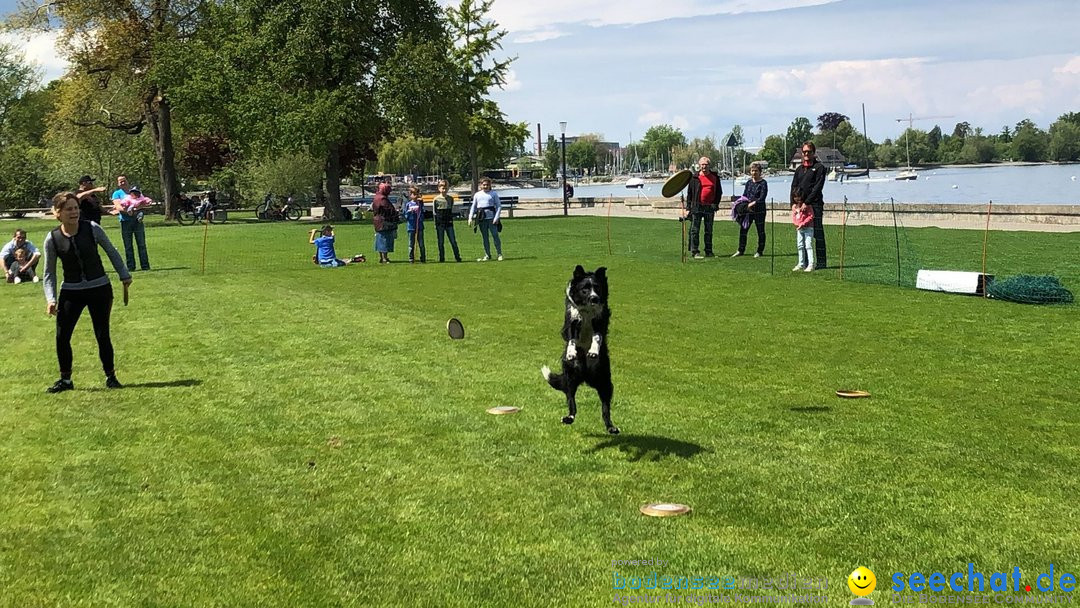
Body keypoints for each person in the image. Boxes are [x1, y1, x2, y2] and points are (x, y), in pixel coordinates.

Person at [42, 191, 132, 393]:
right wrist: (51, 299)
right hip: (71, 291)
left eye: (76, 208)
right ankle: (66, 380)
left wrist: (124, 274)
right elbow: (49, 273)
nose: (74, 212)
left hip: (99, 288)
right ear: (58, 213)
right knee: (62, 336)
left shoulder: (91, 228)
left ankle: (111, 376)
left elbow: (111, 251)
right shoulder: (53, 238)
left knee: (102, 334)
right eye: (69, 209)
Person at [791, 141, 827, 268]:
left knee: (817, 233)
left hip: (815, 205)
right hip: (800, 207)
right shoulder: (799, 169)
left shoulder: (820, 168)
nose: (806, 154)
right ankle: (803, 262)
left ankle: (821, 263)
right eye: (804, 151)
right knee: (802, 233)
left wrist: (808, 202)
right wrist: (793, 204)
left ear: (813, 153)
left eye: (809, 152)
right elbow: (793, 186)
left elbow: (818, 187)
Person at [683, 156, 721, 259]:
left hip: (709, 207)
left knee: (709, 230)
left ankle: (709, 251)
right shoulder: (694, 178)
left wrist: (716, 204)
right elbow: (689, 194)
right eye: (702, 165)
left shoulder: (715, 177)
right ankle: (695, 251)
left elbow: (719, 192)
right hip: (697, 207)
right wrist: (688, 208)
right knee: (695, 230)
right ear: (699, 165)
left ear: (709, 165)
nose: (704, 166)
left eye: (706, 164)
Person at [111, 178, 152, 271]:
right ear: (118, 183)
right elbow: (118, 206)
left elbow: (144, 202)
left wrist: (134, 209)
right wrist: (128, 211)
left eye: (124, 180)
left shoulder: (135, 191)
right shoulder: (117, 193)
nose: (122, 182)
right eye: (120, 181)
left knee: (141, 244)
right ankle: (131, 267)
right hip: (125, 221)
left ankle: (145, 266)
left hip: (138, 221)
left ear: (127, 181)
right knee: (128, 245)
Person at [734, 162, 768, 257]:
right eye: (752, 171)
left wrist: (754, 203)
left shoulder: (763, 183)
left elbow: (762, 197)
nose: (754, 173)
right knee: (743, 229)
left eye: (756, 171)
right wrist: (741, 203)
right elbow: (745, 194)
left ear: (760, 172)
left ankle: (759, 251)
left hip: (759, 210)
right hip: (748, 211)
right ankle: (741, 250)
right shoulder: (748, 183)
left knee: (760, 230)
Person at [467, 177, 503, 261]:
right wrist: (470, 217)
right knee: (485, 237)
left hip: (492, 218)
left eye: (487, 185)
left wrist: (496, 217)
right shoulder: (477, 195)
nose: (485, 186)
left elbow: (498, 206)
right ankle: (487, 254)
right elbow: (474, 207)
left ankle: (499, 253)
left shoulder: (493, 194)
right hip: (481, 219)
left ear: (490, 185)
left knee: (495, 236)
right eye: (484, 185)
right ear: (481, 185)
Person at [431, 180, 462, 262]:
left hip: (449, 222)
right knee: (440, 242)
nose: (444, 190)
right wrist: (435, 224)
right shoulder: (436, 199)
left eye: (446, 188)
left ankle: (457, 257)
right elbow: (434, 212)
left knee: (453, 241)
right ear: (439, 188)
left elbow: (451, 209)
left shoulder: (450, 199)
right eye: (442, 188)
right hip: (439, 223)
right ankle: (442, 258)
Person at [372, 182, 399, 264]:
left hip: (377, 221)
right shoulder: (383, 199)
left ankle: (381, 258)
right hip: (384, 222)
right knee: (385, 240)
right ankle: (385, 258)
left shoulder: (376, 197)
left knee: (380, 239)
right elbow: (388, 210)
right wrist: (396, 212)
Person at [791, 193, 815, 272]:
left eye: (799, 197)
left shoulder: (807, 205)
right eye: (795, 197)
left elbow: (811, 216)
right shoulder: (794, 207)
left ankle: (811, 264)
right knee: (800, 245)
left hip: (808, 228)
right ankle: (801, 263)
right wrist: (797, 224)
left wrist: (803, 223)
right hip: (799, 229)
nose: (797, 199)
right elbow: (793, 217)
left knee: (808, 245)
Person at [404, 186, 427, 263]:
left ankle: (423, 257)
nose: (415, 195)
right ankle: (411, 258)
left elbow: (422, 212)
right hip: (411, 227)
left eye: (416, 194)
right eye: (413, 194)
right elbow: (405, 215)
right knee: (411, 244)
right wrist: (409, 212)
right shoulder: (408, 204)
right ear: (410, 195)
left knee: (421, 243)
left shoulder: (420, 203)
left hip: (419, 226)